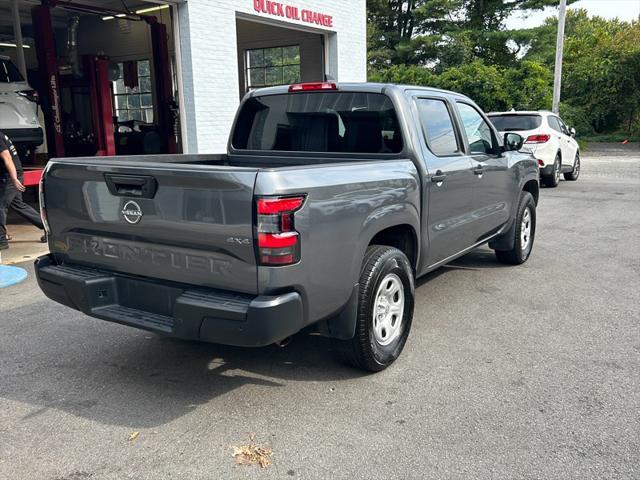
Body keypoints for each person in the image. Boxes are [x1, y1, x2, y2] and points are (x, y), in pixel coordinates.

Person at [0, 131, 46, 250]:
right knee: (18, 205)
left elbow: (8, 158)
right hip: (12, 174)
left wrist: (14, 179)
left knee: (0, 206)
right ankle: (48, 227)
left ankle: (1, 240)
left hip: (10, 176)